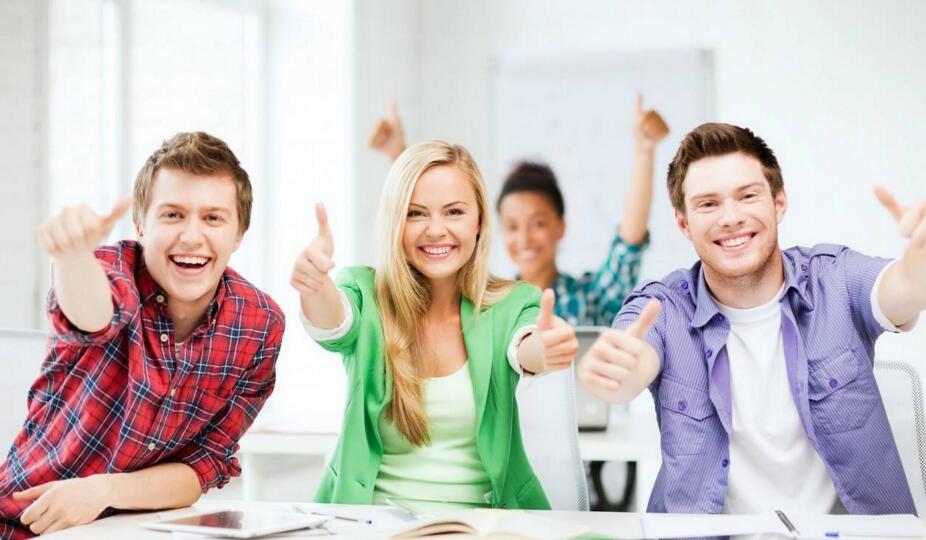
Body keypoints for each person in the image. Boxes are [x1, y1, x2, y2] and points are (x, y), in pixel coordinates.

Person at [578, 122, 919, 517]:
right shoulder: (663, 307)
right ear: (684, 223)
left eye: (747, 196)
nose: (730, 217)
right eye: (708, 204)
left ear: (779, 203)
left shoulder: (835, 279)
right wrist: (618, 373)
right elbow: (632, 360)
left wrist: (920, 262)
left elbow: (906, 285)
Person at [0, 132, 285, 538]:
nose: (191, 236)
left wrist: (103, 490)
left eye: (213, 218)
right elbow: (91, 315)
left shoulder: (259, 325)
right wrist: (72, 258)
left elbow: (202, 466)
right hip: (25, 523)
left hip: (137, 529)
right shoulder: (111, 270)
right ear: (140, 225)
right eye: (172, 215)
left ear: (239, 234)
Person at [291, 141, 578, 512]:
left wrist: (546, 348)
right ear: (395, 222)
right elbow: (334, 323)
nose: (436, 230)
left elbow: (525, 347)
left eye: (454, 212)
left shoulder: (513, 303)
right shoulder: (364, 293)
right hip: (371, 526)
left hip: (484, 529)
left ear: (479, 221)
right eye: (416, 214)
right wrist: (315, 285)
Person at [368, 95, 669, 326]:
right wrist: (398, 154)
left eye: (538, 223)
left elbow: (628, 244)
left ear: (560, 227)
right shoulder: (487, 303)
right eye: (512, 226)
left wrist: (645, 151)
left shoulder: (591, 298)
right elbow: (429, 258)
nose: (524, 239)